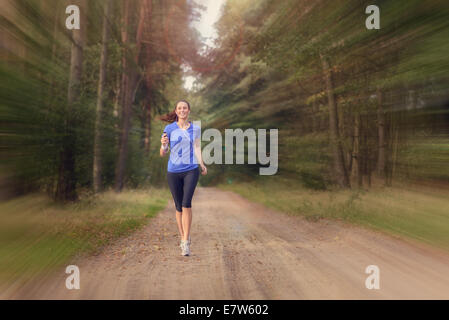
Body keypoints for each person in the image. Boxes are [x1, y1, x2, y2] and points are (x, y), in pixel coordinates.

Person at [159, 100, 207, 256]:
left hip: (191, 170)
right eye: (179, 108)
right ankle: (183, 237)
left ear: (189, 111)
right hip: (173, 171)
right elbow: (163, 152)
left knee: (187, 203)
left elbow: (197, 148)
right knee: (178, 206)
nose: (182, 110)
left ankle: (186, 241)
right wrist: (164, 145)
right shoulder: (169, 128)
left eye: (184, 108)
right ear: (176, 111)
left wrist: (202, 163)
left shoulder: (195, 129)